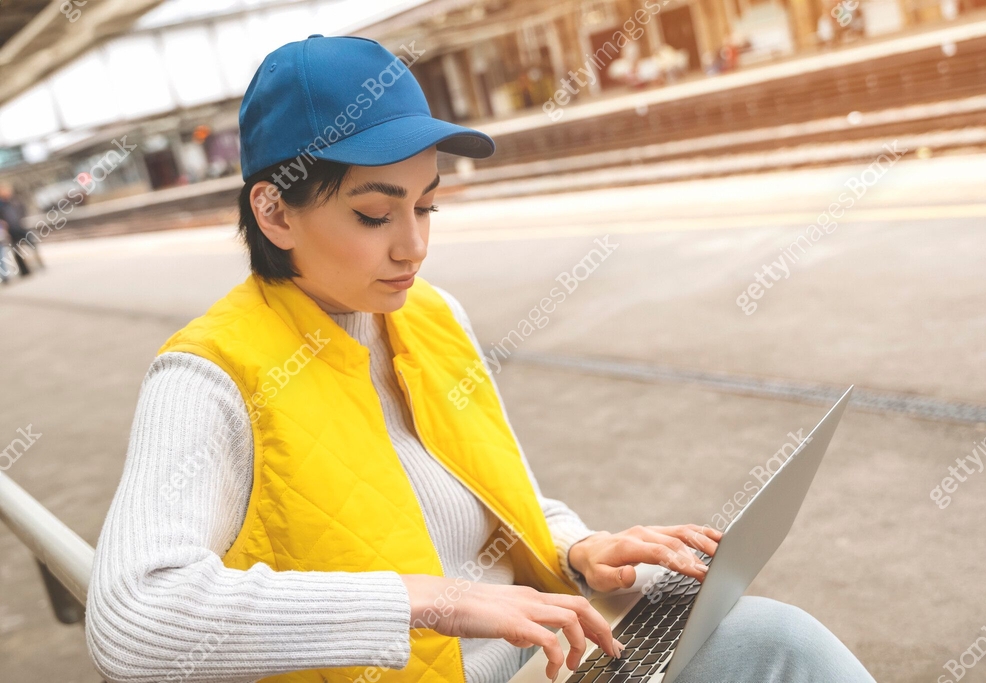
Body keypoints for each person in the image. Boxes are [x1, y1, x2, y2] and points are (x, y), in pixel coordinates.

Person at [84, 35, 876, 683]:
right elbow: (131, 620)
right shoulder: (208, 375)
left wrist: (574, 546)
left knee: (775, 639)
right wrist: (429, 603)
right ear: (274, 209)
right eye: (374, 212)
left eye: (426, 204)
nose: (414, 244)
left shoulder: (429, 315)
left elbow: (496, 498)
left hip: (542, 662)